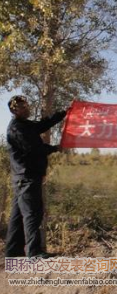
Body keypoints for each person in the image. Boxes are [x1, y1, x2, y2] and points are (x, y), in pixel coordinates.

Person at [4, 95, 67, 258]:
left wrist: (63, 114)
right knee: (33, 213)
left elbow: (42, 125)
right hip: (26, 178)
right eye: (22, 107)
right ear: (14, 110)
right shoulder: (16, 128)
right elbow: (34, 149)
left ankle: (12, 253)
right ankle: (34, 252)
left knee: (18, 217)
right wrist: (55, 148)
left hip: (24, 178)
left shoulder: (25, 125)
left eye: (26, 106)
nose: (27, 109)